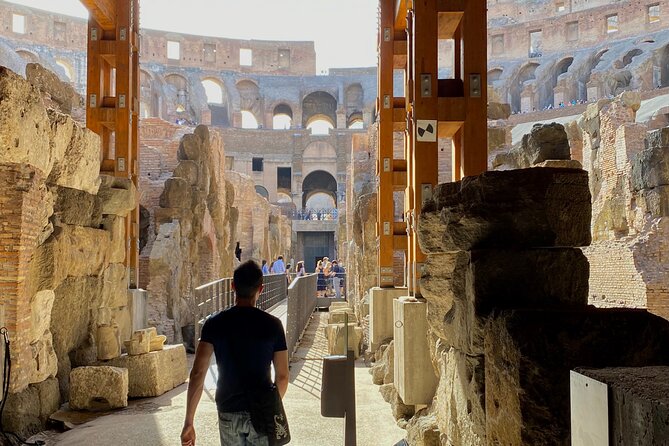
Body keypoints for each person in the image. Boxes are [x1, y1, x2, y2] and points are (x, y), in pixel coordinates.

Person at [181, 260, 289, 446]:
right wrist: (269, 407)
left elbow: (198, 373)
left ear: (233, 286)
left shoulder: (214, 324)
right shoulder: (273, 325)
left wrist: (189, 421)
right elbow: (282, 376)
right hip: (261, 410)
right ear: (260, 289)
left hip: (228, 408)